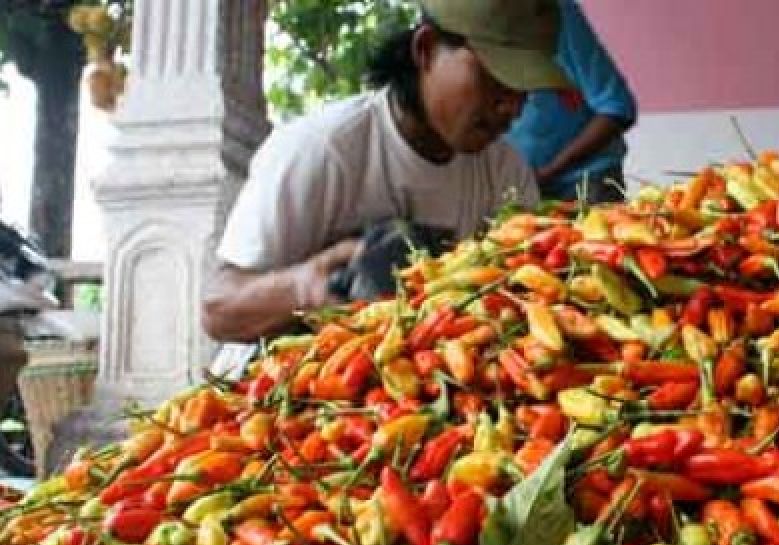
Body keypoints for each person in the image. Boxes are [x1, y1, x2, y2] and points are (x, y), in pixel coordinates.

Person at [202, 0, 569, 345]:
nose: (512, 106)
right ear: (425, 50)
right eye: (495, 78)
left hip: (414, 397)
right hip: (282, 395)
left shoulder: (506, 174)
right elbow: (217, 309)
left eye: (525, 89)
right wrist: (305, 286)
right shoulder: (322, 150)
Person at [505, 0, 636, 205]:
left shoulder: (553, 11)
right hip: (518, 191)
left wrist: (547, 173)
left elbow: (616, 109)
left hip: (585, 185)